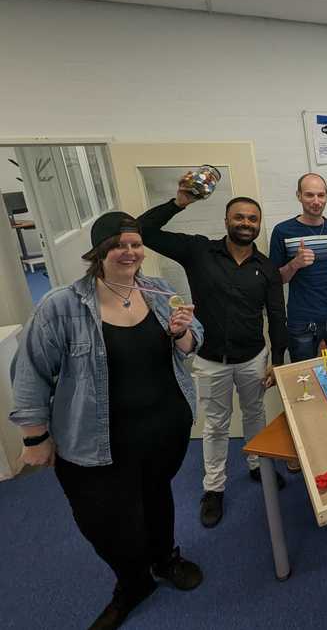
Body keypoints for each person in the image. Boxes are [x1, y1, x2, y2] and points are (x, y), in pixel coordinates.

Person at [11, 212, 204, 629]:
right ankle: (132, 583)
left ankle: (166, 558)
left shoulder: (158, 291)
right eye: (120, 245)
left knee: (156, 496)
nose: (131, 252)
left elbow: (192, 342)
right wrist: (34, 437)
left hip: (163, 430)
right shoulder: (62, 306)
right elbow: (30, 374)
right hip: (93, 441)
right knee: (104, 521)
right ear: (100, 252)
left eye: (136, 244)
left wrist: (180, 332)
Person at [138, 182, 288, 529]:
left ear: (258, 224)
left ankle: (256, 467)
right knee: (217, 425)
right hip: (209, 359)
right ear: (226, 220)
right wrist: (178, 203)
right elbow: (143, 230)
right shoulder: (198, 251)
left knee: (254, 415)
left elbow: (277, 315)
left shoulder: (266, 268)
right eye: (239, 217)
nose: (246, 223)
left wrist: (277, 360)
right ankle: (214, 488)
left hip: (253, 357)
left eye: (252, 218)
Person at [270, 173, 327, 360]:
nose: (316, 201)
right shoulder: (283, 230)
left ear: (326, 196)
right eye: (309, 195)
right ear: (299, 196)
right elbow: (275, 279)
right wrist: (294, 264)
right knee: (304, 376)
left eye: (321, 195)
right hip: (302, 319)